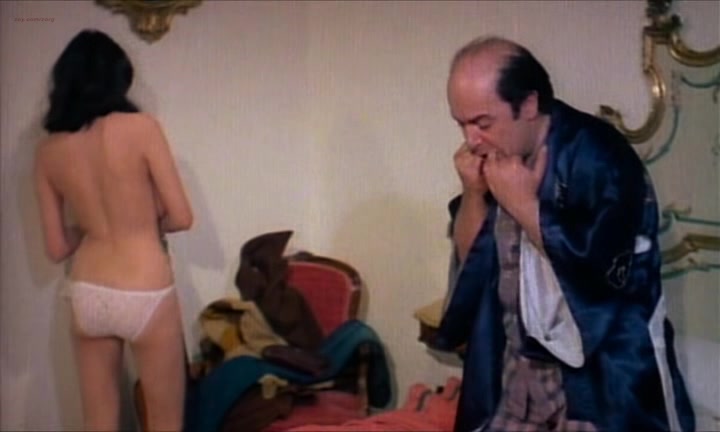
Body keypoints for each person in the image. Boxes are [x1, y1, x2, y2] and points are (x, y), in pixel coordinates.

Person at [432, 36, 695, 432]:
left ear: (529, 105)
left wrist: (523, 204)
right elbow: (475, 262)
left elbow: (601, 276)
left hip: (597, 374)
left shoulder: (600, 156)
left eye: (483, 123)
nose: (471, 140)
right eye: (461, 124)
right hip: (516, 367)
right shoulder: (494, 156)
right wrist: (473, 192)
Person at [34, 29, 193, 431]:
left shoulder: (48, 151)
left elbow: (56, 247)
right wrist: (141, 221)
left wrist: (89, 226)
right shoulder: (141, 128)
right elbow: (181, 217)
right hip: (145, 288)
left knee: (99, 423)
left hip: (88, 291)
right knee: (165, 422)